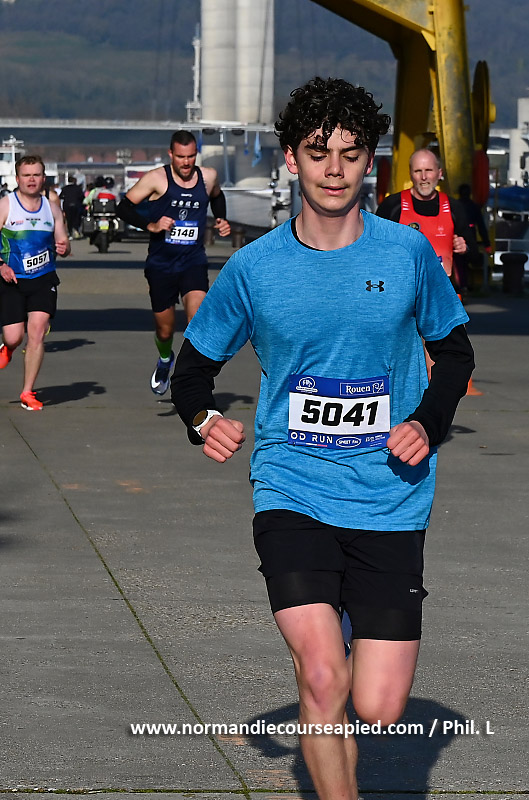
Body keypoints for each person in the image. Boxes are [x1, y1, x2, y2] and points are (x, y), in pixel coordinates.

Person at [171, 77, 474, 800]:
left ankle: (336, 637)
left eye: (350, 153)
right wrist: (203, 419)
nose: (334, 170)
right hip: (292, 485)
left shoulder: (405, 254)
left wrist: (425, 422)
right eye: (318, 152)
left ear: (370, 160)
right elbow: (193, 370)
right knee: (320, 676)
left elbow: (455, 352)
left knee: (380, 706)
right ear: (291, 159)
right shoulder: (255, 268)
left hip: (388, 496)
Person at [116, 131, 231, 396]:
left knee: (197, 320)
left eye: (191, 156)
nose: (186, 162)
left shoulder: (208, 176)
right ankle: (165, 359)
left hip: (193, 260)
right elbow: (123, 208)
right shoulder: (156, 178)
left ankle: (190, 379)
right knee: (165, 330)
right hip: (161, 264)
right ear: (171, 154)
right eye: (180, 157)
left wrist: (221, 218)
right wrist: (151, 225)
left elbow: (217, 196)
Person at [0, 155, 70, 410]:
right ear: (17, 178)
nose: (32, 180)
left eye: (36, 175)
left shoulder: (52, 208)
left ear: (43, 178)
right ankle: (8, 347)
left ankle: (27, 391)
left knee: (38, 331)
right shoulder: (6, 205)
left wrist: (64, 247)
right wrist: (1, 265)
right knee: (14, 336)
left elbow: (64, 241)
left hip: (43, 279)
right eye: (26, 175)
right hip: (12, 280)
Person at [376, 148, 476, 283]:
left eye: (429, 170)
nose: (424, 177)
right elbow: (372, 248)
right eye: (418, 171)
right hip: (403, 288)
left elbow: (474, 254)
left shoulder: (454, 207)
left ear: (439, 173)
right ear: (410, 174)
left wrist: (464, 248)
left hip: (441, 289)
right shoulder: (392, 206)